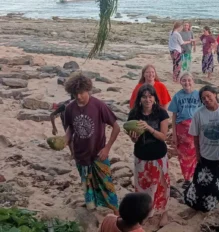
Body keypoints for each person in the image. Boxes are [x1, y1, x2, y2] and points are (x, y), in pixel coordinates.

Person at [64, 72, 120, 214]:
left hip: (98, 153)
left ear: (87, 89)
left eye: (81, 93)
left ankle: (116, 213)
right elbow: (70, 128)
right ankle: (92, 212)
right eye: (75, 93)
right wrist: (65, 140)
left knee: (108, 187)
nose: (78, 96)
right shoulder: (69, 108)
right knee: (87, 187)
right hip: (80, 155)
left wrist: (107, 148)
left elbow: (116, 127)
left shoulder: (98, 105)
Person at [184, 85, 219, 212]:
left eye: (208, 96)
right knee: (201, 181)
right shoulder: (198, 114)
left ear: (215, 94)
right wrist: (198, 153)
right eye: (203, 98)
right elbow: (195, 136)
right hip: (205, 154)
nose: (206, 99)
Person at [127, 84, 171, 227]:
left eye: (150, 96)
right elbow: (133, 138)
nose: (147, 99)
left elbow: (163, 136)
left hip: (158, 156)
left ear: (154, 98)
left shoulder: (161, 113)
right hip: (141, 155)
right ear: (139, 99)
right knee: (143, 186)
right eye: (144, 97)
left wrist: (149, 128)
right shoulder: (134, 115)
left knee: (161, 185)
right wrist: (133, 137)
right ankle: (145, 213)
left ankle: (164, 212)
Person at [169, 72, 201, 188]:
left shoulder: (199, 95)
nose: (187, 82)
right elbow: (174, 116)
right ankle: (187, 178)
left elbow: (203, 113)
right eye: (184, 80)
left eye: (189, 80)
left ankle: (194, 176)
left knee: (195, 154)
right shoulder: (177, 96)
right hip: (181, 129)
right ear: (180, 82)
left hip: (195, 128)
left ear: (193, 81)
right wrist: (174, 134)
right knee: (183, 155)